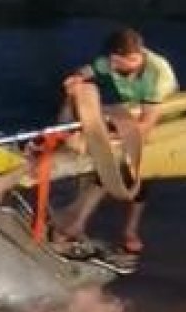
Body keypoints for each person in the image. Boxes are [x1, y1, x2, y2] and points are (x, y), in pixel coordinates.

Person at [53, 26, 177, 273]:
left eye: (115, 64)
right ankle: (75, 222)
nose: (109, 67)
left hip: (162, 119)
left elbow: (146, 125)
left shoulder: (157, 76)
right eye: (110, 63)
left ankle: (128, 230)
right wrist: (76, 79)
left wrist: (105, 138)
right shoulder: (111, 61)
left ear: (133, 58)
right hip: (128, 111)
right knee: (101, 167)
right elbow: (89, 70)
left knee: (135, 172)